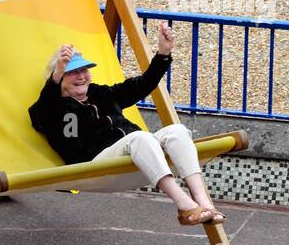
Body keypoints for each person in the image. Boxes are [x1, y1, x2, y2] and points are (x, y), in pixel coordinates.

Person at [29, 23, 225, 226]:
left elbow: (141, 85)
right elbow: (44, 106)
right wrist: (58, 73)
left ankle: (204, 204)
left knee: (177, 131)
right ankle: (184, 205)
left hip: (136, 157)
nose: (81, 76)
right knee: (141, 137)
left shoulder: (100, 94)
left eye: (84, 70)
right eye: (72, 72)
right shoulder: (51, 108)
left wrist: (163, 55)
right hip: (94, 168)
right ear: (58, 76)